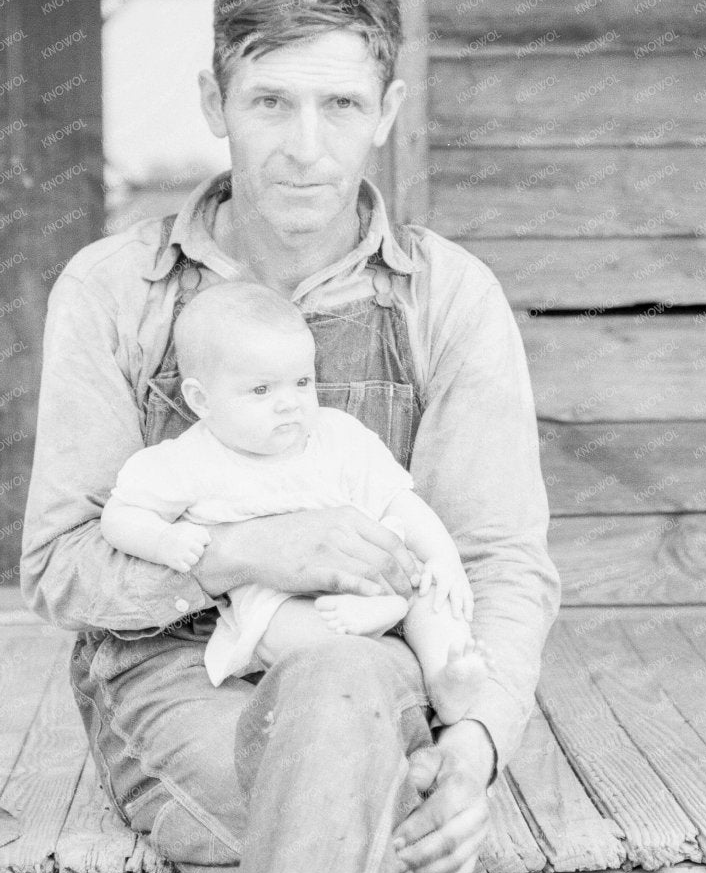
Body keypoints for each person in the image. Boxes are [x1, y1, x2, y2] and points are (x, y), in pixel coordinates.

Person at [20, 0, 562, 873]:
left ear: (388, 109)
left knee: (344, 701)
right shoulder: (118, 290)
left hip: (377, 672)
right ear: (215, 102)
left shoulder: (447, 298)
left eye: (338, 104)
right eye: (271, 103)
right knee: (373, 862)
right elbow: (61, 563)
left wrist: (483, 742)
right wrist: (249, 554)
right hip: (178, 675)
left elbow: (499, 563)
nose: (304, 144)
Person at [98, 279, 490, 724]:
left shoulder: (337, 435)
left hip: (376, 568)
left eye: (302, 382)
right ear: (200, 399)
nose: (290, 404)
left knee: (436, 597)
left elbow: (398, 501)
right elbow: (120, 515)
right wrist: (162, 541)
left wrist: (443, 558)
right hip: (278, 598)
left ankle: (449, 682)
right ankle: (379, 627)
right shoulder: (188, 462)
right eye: (261, 390)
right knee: (287, 632)